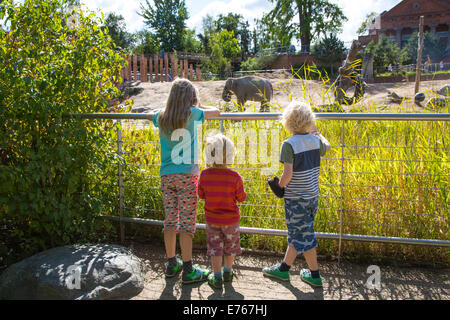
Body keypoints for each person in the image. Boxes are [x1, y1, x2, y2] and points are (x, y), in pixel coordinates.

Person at [146, 78, 220, 284]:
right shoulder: (194, 114)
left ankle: (172, 263)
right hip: (188, 175)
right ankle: (188, 269)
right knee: (187, 222)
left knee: (170, 220)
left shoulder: (161, 117)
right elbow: (217, 111)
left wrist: (166, 108)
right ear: (191, 99)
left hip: (166, 175)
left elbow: (147, 114)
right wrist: (200, 105)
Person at [263, 101, 331, 287]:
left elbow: (288, 173)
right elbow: (328, 146)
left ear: (287, 122)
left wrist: (280, 187)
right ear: (309, 120)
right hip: (312, 196)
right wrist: (317, 132)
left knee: (304, 234)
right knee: (298, 232)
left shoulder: (289, 144)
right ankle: (284, 269)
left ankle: (315, 275)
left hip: (295, 198)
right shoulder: (315, 140)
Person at [198, 133, 247, 289]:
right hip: (231, 221)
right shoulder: (235, 177)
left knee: (215, 247)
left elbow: (200, 194)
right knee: (230, 246)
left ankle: (217, 276)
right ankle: (228, 271)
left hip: (212, 220)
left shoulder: (205, 175)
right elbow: (241, 198)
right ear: (230, 155)